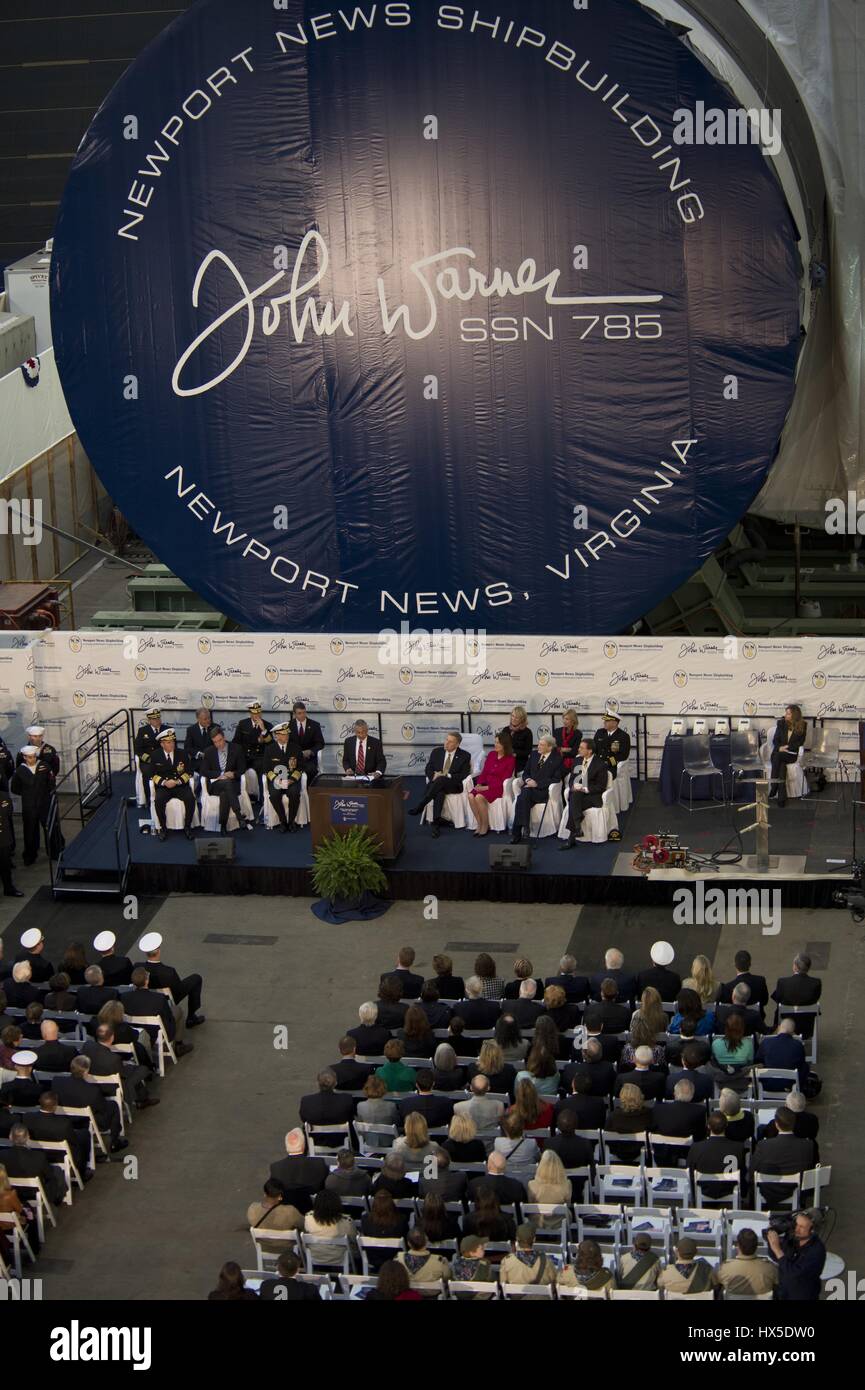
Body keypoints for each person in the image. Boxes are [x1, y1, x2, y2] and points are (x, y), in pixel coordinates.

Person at [135, 930, 205, 1029]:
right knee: (196, 978)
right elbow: (177, 989)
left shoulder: (137, 967)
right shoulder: (169, 972)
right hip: (166, 1000)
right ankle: (191, 1017)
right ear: (158, 950)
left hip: (146, 998)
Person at [408, 731, 472, 837]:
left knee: (441, 780)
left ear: (457, 744)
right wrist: (433, 776)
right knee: (439, 792)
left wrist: (447, 775)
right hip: (437, 784)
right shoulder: (437, 752)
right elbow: (428, 768)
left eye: (450, 742)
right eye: (446, 740)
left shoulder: (465, 755)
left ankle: (421, 804)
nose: (446, 743)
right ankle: (436, 825)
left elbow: (463, 775)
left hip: (453, 785)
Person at [560, 737, 612, 848]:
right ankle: (576, 829)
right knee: (575, 796)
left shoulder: (600, 764)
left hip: (592, 796)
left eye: (581, 748)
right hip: (578, 794)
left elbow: (601, 787)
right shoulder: (578, 761)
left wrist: (585, 789)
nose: (578, 750)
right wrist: (573, 786)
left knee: (574, 801)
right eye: (579, 747)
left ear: (590, 751)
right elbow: (572, 779)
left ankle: (572, 836)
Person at [510, 735, 562, 844]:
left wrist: (537, 784)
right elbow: (526, 772)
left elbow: (556, 779)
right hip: (529, 788)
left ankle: (519, 831)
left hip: (542, 791)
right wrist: (528, 780)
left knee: (521, 798)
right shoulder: (534, 755)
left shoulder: (557, 759)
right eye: (538, 744)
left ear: (550, 747)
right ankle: (524, 829)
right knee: (524, 796)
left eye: (542, 745)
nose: (538, 747)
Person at [200, 726, 253, 833]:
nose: (218, 744)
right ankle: (239, 816)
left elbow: (242, 768)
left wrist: (233, 774)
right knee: (226, 784)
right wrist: (221, 774)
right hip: (216, 784)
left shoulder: (236, 748)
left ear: (224, 737)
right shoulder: (209, 751)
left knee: (225, 793)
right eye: (215, 742)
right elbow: (204, 771)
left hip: (232, 784)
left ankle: (223, 825)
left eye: (220, 740)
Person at [10, 745, 56, 866]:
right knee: (30, 831)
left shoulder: (44, 766)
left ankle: (54, 852)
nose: (32, 759)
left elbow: (51, 782)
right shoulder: (20, 770)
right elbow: (15, 788)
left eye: (33, 757)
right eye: (29, 757)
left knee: (50, 828)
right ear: (24, 757)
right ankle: (30, 856)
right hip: (29, 806)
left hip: (44, 803)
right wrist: (28, 795)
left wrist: (45, 795)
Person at [767, 1210, 825, 1300]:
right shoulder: (793, 1238)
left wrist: (777, 1250)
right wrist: (771, 1239)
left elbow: (794, 1274)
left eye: (802, 1227)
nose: (797, 1229)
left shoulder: (816, 1251)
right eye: (796, 1224)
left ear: (813, 1231)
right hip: (783, 1294)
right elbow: (775, 1256)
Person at [4, 1121, 67, 1205]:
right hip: (35, 1192)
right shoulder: (38, 1156)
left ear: (10, 1137)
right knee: (56, 1171)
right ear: (28, 1137)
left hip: (12, 1191)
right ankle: (57, 1198)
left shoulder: (2, 1155)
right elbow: (49, 1175)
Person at [149, 729, 196, 840]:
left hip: (180, 785)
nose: (172, 744)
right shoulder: (155, 755)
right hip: (164, 787)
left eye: (173, 742)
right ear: (162, 744)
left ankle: (188, 827)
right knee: (158, 801)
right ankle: (163, 828)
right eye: (168, 742)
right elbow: (152, 774)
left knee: (190, 799)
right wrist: (165, 782)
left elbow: (189, 772)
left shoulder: (182, 754)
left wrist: (177, 782)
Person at [687, 1112, 746, 1201]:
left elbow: (690, 1172)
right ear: (726, 1125)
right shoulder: (738, 1147)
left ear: (708, 1126)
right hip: (729, 1189)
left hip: (703, 1189)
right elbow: (742, 1172)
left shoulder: (696, 1147)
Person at [466, 732, 516, 836]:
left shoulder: (510, 759)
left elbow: (504, 779)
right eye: (495, 742)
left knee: (479, 797)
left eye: (498, 743)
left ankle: (485, 825)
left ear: (505, 745)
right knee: (470, 796)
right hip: (485, 784)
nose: (495, 745)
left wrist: (486, 788)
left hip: (497, 787)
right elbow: (484, 772)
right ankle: (479, 823)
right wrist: (479, 784)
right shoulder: (492, 754)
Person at [269, 1128, 328, 1213]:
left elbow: (274, 1194)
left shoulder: (275, 1168)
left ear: (287, 1147)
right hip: (315, 1211)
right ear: (304, 1146)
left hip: (287, 1213)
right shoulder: (319, 1164)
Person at [263, 723, 304, 832]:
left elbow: (300, 767)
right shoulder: (269, 749)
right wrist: (277, 780)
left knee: (294, 793)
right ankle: (283, 821)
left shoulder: (295, 748)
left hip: (291, 780)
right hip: (276, 780)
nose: (286, 736)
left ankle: (291, 822)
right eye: (283, 734)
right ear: (277, 735)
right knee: (274, 795)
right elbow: (267, 769)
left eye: (287, 734)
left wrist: (292, 780)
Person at [246, 1178, 303, 1253]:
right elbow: (303, 1225)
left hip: (265, 1248)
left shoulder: (252, 1209)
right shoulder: (290, 1211)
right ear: (280, 1196)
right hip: (288, 1249)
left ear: (265, 1193)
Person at [717, 1228, 779, 1297]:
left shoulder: (725, 1269)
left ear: (738, 1246)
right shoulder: (770, 1269)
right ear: (756, 1246)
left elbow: (715, 1282)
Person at [303, 1188, 356, 1267]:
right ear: (337, 1205)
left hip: (315, 1257)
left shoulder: (308, 1218)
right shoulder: (347, 1222)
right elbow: (354, 1239)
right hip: (340, 1258)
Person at [298, 1069, 355, 1141]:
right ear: (335, 1083)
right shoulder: (346, 1099)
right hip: (341, 1139)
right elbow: (351, 1116)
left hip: (316, 1140)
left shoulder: (307, 1101)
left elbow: (304, 1119)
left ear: (318, 1083)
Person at [769, 703, 807, 807]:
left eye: (788, 714)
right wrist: (780, 748)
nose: (786, 715)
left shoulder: (803, 725)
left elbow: (800, 742)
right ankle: (781, 797)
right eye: (786, 713)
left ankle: (774, 785)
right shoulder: (781, 723)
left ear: (794, 715)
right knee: (781, 766)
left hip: (791, 754)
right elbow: (775, 740)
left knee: (777, 757)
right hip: (780, 752)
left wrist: (787, 748)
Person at [772, 953, 822, 1029]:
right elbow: (815, 999)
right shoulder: (816, 982)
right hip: (807, 1023)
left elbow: (778, 999)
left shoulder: (783, 982)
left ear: (795, 967)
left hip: (787, 1021)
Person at [756, 1018, 808, 1091]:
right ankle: (799, 1090)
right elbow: (801, 1063)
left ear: (779, 1027)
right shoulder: (798, 1045)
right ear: (793, 1031)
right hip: (790, 1084)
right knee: (805, 1066)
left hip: (767, 1084)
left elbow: (758, 1061)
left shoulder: (766, 1042)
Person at [360, 1189, 409, 1265]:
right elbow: (406, 1241)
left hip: (373, 1258)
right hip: (395, 1259)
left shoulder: (365, 1219)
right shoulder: (401, 1220)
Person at [604, 1083, 649, 1163]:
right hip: (640, 1150)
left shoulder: (613, 1116)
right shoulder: (647, 1114)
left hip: (618, 1150)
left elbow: (607, 1137)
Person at [717, 949, 769, 1017]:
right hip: (757, 1020)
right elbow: (765, 1002)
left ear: (735, 965)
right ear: (750, 964)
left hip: (737, 1022)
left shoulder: (728, 987)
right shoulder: (760, 981)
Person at [710, 1012, 754, 1089]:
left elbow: (715, 1063)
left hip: (722, 1083)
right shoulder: (748, 1044)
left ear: (726, 1028)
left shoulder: (715, 1044)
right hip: (742, 1083)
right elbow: (750, 1062)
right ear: (742, 1029)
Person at [527, 1148, 570, 1224]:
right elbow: (568, 1204)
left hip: (538, 1221)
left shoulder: (532, 1185)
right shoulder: (567, 1184)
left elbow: (531, 1204)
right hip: (560, 1221)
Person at [232, 701, 273, 779]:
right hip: (245, 756)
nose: (257, 715)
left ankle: (263, 790)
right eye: (254, 713)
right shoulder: (243, 724)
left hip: (259, 757)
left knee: (262, 772)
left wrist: (263, 730)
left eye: (258, 713)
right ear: (250, 713)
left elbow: (271, 744)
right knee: (238, 771)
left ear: (261, 713)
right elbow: (236, 742)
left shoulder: (268, 725)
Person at [289, 701, 325, 783]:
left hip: (309, 760)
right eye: (299, 713)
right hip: (293, 759)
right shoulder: (288, 725)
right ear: (294, 714)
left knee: (310, 770)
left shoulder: (314, 725)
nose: (303, 715)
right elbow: (287, 744)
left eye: (304, 712)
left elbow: (320, 743)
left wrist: (311, 751)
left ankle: (308, 792)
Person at [593, 711, 631, 780]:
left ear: (615, 723)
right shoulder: (600, 732)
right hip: (597, 764)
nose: (604, 722)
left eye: (607, 721)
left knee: (601, 776)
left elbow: (623, 755)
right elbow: (594, 749)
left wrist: (608, 762)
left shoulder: (623, 736)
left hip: (611, 766)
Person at [134, 708, 166, 782]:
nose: (157, 720)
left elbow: (173, 747)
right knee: (148, 772)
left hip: (164, 759)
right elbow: (138, 748)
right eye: (154, 719)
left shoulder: (167, 730)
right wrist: (147, 758)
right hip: (148, 760)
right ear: (149, 720)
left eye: (158, 718)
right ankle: (149, 793)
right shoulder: (143, 731)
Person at [0, 792, 22, 898]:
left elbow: (7, 812)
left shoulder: (4, 797)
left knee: (5, 865)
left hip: (3, 837)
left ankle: (8, 889)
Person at [502, 706, 533, 775]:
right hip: (505, 761)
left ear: (522, 719)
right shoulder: (505, 730)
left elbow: (528, 751)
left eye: (516, 717)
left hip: (520, 764)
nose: (513, 719)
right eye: (512, 716)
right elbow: (501, 746)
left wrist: (514, 753)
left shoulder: (527, 732)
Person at [554, 709, 583, 778]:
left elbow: (574, 752)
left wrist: (561, 750)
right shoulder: (557, 731)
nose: (564, 721)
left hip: (571, 762)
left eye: (567, 719)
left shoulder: (578, 734)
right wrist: (563, 749)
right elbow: (554, 749)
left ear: (573, 721)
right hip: (557, 760)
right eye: (564, 718)